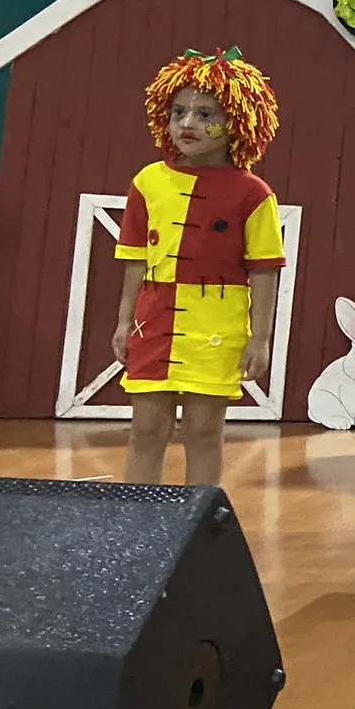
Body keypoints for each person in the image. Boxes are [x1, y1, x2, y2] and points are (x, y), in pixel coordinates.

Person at [114, 48, 286, 485]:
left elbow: (265, 269)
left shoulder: (254, 193)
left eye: (204, 113)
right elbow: (133, 258)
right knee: (146, 429)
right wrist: (123, 322)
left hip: (218, 326)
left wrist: (260, 338)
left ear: (237, 122)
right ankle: (135, 517)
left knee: (204, 431)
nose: (187, 123)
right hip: (152, 321)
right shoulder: (147, 182)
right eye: (179, 112)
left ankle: (199, 519)